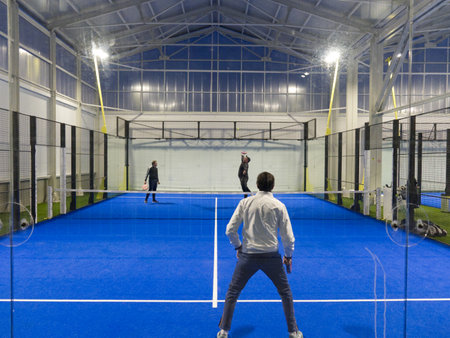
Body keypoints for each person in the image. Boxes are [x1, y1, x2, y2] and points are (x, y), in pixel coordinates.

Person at [217, 172, 303, 338]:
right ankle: (293, 332)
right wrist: (288, 255)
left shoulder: (245, 203)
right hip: (272, 257)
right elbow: (288, 237)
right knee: (285, 293)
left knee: (232, 293)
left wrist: (238, 247)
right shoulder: (279, 206)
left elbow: (230, 230)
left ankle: (223, 331)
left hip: (247, 256)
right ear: (273, 186)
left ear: (256, 185)